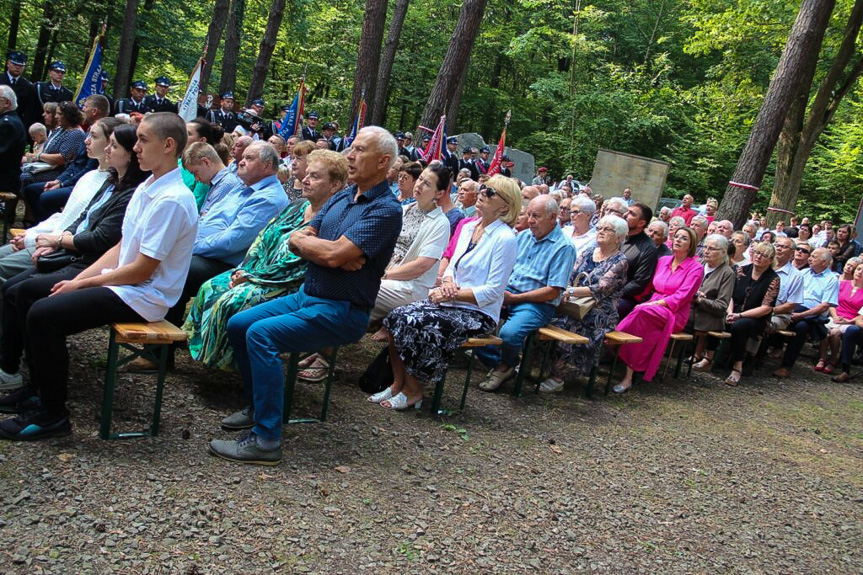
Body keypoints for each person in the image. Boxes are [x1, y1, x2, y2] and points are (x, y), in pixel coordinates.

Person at [209, 126, 402, 465]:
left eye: (359, 150)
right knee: (239, 324)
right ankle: (259, 407)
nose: (350, 155)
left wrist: (329, 251)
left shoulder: (385, 209)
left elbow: (329, 254)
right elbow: (301, 237)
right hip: (307, 296)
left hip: (343, 310)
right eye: (351, 147)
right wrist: (328, 250)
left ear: (383, 161)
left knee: (261, 334)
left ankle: (267, 439)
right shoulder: (345, 195)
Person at [0, 113, 198, 440]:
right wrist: (80, 280)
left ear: (168, 145)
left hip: (144, 296)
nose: (135, 147)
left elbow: (142, 270)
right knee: (24, 294)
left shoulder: (173, 199)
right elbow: (122, 247)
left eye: (143, 140)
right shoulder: (148, 186)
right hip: (125, 283)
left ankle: (52, 415)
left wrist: (85, 282)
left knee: (43, 313)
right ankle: (36, 392)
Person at [0, 123, 149, 389]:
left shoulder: (133, 192)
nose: (106, 149)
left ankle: (29, 384)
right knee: (15, 289)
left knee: (26, 296)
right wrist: (55, 241)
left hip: (90, 261)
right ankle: (18, 372)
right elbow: (80, 219)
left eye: (113, 145)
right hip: (71, 251)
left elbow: (103, 239)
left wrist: (57, 242)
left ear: (128, 154)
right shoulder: (110, 181)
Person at [185, 150, 348, 371]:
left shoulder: (333, 219)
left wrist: (253, 278)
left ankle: (235, 364)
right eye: (307, 174)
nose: (306, 180)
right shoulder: (298, 205)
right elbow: (262, 240)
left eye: (315, 176)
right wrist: (244, 270)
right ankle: (210, 354)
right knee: (210, 287)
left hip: (286, 285)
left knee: (230, 302)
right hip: (257, 272)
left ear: (336, 185)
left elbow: (298, 266)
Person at [369, 175, 519, 410]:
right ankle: (397, 383)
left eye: (491, 192)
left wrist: (453, 294)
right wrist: (447, 282)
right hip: (450, 300)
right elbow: (451, 267)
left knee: (418, 321)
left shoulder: (506, 238)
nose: (482, 192)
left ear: (505, 206)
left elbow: (493, 291)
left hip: (477, 311)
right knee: (396, 316)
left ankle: (413, 390)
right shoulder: (469, 226)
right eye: (483, 188)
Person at [0, 118, 124, 284]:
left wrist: (34, 239)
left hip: (60, 248)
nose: (86, 141)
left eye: (93, 136)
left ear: (110, 143)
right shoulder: (90, 176)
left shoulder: (111, 185)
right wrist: (30, 234)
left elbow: (82, 229)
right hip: (48, 238)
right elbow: (63, 217)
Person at [473, 195, 576, 391]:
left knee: (509, 334)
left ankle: (505, 365)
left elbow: (553, 291)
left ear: (552, 217)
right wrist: (500, 292)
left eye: (535, 216)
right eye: (528, 214)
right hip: (508, 293)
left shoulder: (564, 247)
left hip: (536, 304)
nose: (529, 220)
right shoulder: (523, 236)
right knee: (472, 316)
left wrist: (514, 298)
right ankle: (500, 364)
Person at [540, 215, 629, 392]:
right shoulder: (589, 251)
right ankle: (536, 364)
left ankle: (559, 376)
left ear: (619, 237)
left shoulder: (620, 261)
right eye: (599, 228)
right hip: (574, 304)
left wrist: (570, 291)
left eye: (607, 229)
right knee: (545, 315)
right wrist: (564, 288)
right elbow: (571, 273)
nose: (600, 231)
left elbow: (601, 288)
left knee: (568, 324)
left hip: (599, 312)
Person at [613, 227, 703, 392]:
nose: (678, 240)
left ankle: (615, 342)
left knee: (642, 313)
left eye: (684, 238)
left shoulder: (696, 268)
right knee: (641, 321)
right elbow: (648, 287)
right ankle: (627, 370)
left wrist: (651, 305)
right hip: (650, 306)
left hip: (674, 312)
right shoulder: (663, 261)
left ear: (691, 245)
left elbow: (681, 297)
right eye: (676, 236)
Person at [366, 163, 452, 332]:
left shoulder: (441, 224)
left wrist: (385, 275)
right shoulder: (403, 210)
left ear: (439, 193)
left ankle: (326, 352)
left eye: (427, 184)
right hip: (384, 272)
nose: (419, 185)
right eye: (420, 179)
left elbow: (422, 266)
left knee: (359, 288)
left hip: (409, 286)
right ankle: (326, 345)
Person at [720, 242, 780, 386]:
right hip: (734, 309)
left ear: (771, 260)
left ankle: (737, 367)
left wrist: (740, 315)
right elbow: (730, 295)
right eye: (757, 253)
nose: (759, 257)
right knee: (716, 316)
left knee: (739, 326)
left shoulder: (773, 279)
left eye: (764, 255)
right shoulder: (741, 270)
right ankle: (707, 357)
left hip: (756, 317)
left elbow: (766, 308)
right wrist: (730, 312)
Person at [773, 248, 839, 378]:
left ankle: (786, 366)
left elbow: (824, 306)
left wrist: (800, 315)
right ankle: (767, 351)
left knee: (801, 327)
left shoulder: (831, 279)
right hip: (794, 307)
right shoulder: (803, 273)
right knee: (793, 322)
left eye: (814, 256)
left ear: (824, 262)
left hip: (811, 314)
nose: (809, 258)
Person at [19, 101, 86, 200]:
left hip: (59, 171)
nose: (56, 116)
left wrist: (38, 156)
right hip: (46, 166)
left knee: (25, 177)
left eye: (59, 114)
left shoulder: (75, 133)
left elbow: (62, 159)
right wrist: (29, 158)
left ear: (68, 116)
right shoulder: (60, 129)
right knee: (17, 169)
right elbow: (45, 150)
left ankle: (32, 212)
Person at [689, 235, 736, 371]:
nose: (706, 251)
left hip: (707, 316)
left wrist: (699, 300)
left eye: (712, 248)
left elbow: (721, 306)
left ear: (723, 252)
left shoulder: (727, 273)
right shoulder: (698, 264)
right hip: (688, 308)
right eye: (705, 247)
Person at [816, 263, 863, 374]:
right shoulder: (842, 284)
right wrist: (835, 316)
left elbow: (861, 315)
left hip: (851, 321)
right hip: (835, 316)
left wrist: (848, 321)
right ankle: (822, 358)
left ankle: (833, 360)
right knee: (825, 329)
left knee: (835, 332)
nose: (860, 272)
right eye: (859, 269)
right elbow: (831, 302)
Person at [618, 202, 658, 318]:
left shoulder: (648, 248)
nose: (625, 215)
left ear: (641, 223)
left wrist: (614, 292)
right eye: (627, 211)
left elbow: (639, 283)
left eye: (631, 214)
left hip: (624, 297)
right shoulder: (618, 237)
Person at [0, 86, 27, 200]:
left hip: (4, 178)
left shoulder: (8, 124)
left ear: (7, 103)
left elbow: (2, 155)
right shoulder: (9, 120)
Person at [1, 51, 33, 126]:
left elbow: (28, 111)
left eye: (21, 65)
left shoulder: (28, 86)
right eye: (15, 64)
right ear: (8, 63)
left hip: (16, 124)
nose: (18, 67)